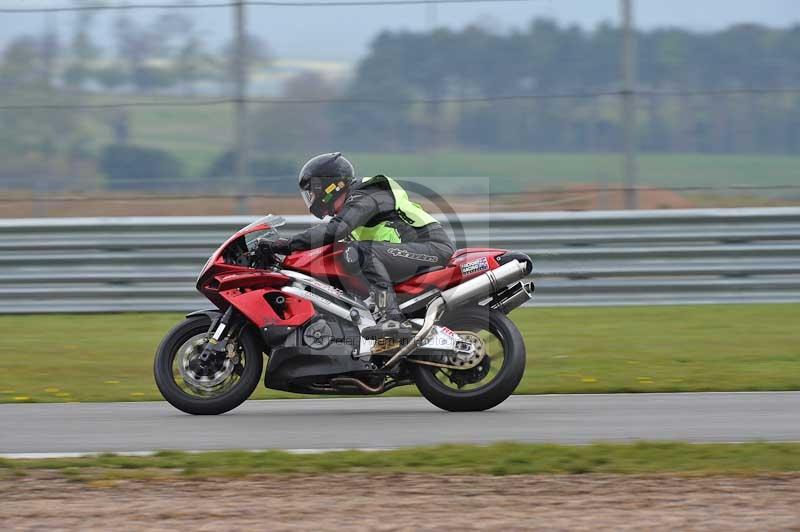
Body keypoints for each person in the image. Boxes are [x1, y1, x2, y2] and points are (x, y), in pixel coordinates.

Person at [264, 152, 455, 339]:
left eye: (312, 191)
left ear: (328, 187)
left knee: (360, 251)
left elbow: (334, 231)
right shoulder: (353, 204)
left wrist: (286, 245)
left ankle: (391, 317)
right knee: (343, 257)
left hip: (431, 247)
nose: (311, 198)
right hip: (404, 253)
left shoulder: (367, 195)